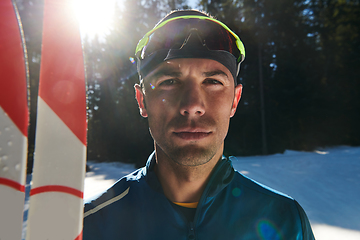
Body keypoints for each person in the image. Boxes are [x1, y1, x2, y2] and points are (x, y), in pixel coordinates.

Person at [83, 9, 315, 240]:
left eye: (212, 81)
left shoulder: (286, 221)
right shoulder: (91, 225)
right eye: (170, 82)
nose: (193, 105)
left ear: (235, 100)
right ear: (142, 100)